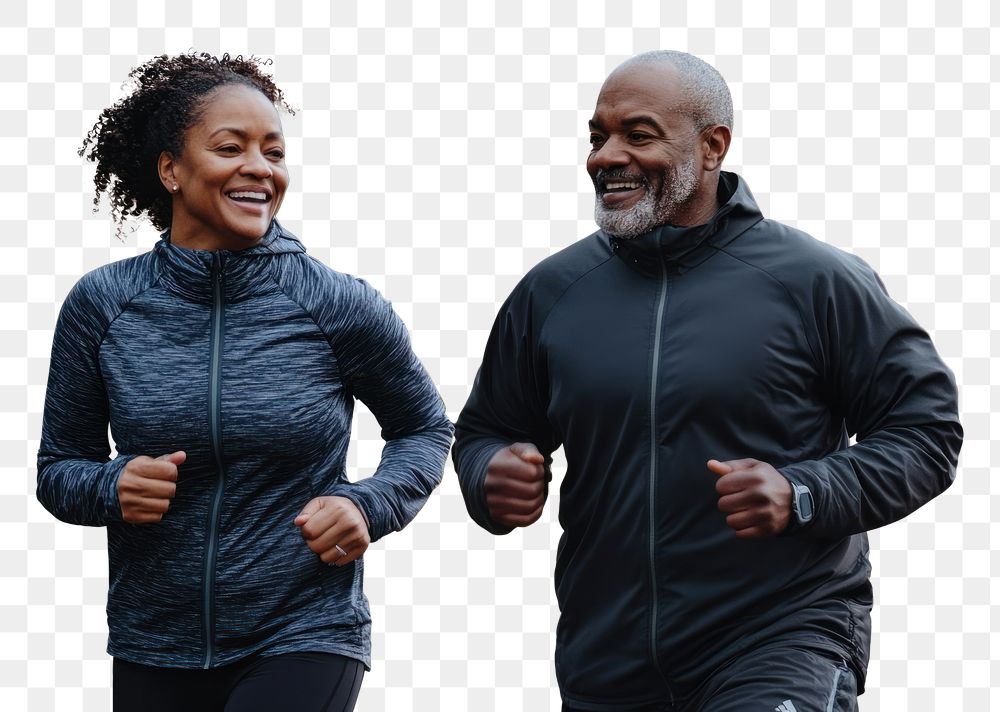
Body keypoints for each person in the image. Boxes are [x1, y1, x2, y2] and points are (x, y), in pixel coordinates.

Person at [453, 50, 962, 712]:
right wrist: (489, 473)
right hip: (606, 661)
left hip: (779, 639)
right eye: (597, 135)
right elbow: (487, 428)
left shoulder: (815, 282)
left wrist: (804, 490)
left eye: (637, 134)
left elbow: (926, 432)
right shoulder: (552, 293)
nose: (605, 156)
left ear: (712, 146)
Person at [36, 52, 453, 712]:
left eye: (274, 152)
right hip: (153, 642)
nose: (260, 168)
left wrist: (369, 504)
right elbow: (59, 467)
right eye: (231, 148)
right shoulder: (102, 306)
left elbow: (424, 429)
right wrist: (111, 486)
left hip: (303, 632)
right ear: (170, 169)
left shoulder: (336, 304)